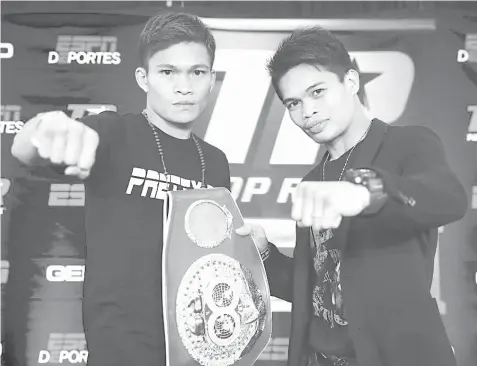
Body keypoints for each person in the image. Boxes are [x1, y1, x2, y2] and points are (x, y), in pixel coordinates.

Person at [237, 26, 468, 366]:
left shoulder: (408, 144)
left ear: (351, 82)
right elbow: (316, 288)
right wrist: (265, 255)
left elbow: (449, 198)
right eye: (294, 103)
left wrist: (367, 193)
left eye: (318, 92)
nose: (308, 112)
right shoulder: (312, 180)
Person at [11, 11, 230, 366]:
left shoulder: (216, 162)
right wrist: (46, 127)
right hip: (121, 345)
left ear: (210, 78)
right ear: (143, 79)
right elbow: (23, 149)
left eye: (197, 72)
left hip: (196, 345)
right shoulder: (112, 133)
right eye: (168, 72)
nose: (184, 86)